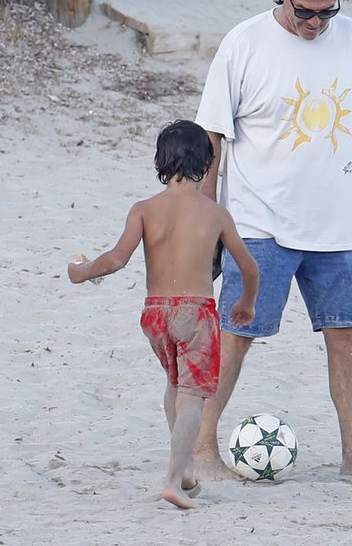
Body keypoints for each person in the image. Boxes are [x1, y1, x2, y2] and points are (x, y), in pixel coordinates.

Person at [193, 0, 352, 484]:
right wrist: (205, 216)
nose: (315, 22)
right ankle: (201, 448)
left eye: (327, 10)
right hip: (259, 224)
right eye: (304, 11)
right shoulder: (244, 44)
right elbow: (211, 135)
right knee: (238, 332)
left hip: (341, 225)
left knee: (347, 334)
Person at [68, 119, 259, 509]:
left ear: (160, 161)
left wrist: (82, 272)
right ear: (207, 165)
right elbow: (249, 267)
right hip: (196, 312)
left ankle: (185, 466)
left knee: (175, 383)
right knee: (193, 394)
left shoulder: (143, 209)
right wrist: (247, 303)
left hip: (155, 315)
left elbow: (117, 259)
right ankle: (174, 479)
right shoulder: (215, 214)